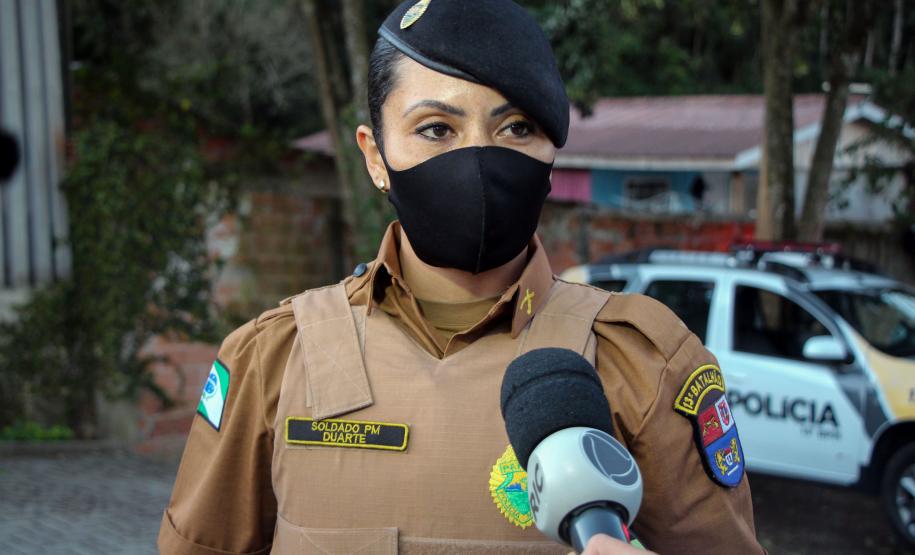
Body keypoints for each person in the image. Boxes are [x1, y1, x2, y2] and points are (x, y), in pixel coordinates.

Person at [158, 1, 766, 554]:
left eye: (516, 129)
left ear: (552, 150)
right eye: (436, 130)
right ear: (375, 156)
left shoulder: (644, 362)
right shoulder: (274, 357)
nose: (477, 157)